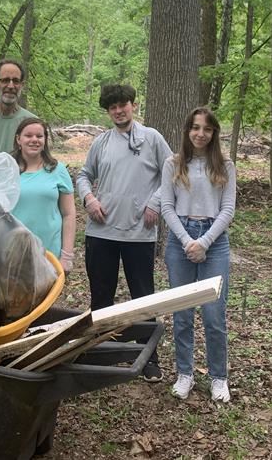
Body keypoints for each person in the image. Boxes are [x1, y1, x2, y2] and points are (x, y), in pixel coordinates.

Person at [75, 84, 172, 382]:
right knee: (100, 295)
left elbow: (172, 172)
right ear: (108, 111)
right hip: (101, 232)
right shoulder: (101, 143)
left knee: (143, 297)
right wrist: (89, 199)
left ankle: (149, 358)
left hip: (139, 234)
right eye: (112, 107)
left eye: (123, 105)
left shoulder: (152, 138)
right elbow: (83, 176)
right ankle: (98, 352)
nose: (118, 111)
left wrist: (155, 203)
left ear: (134, 105)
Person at [160, 107, 235, 404]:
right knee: (182, 313)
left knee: (214, 315)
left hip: (214, 242)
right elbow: (166, 205)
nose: (200, 133)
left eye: (206, 128)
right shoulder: (174, 164)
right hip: (180, 241)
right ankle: (185, 373)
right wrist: (187, 240)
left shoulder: (225, 165)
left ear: (214, 132)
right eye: (195, 127)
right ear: (187, 130)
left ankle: (218, 377)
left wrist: (203, 241)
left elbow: (228, 209)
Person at [10, 117, 76, 272]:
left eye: (39, 136)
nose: (34, 140)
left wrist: (66, 256)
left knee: (49, 296)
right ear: (18, 139)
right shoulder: (7, 170)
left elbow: (69, 214)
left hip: (50, 254)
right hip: (13, 252)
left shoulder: (57, 169)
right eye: (28, 135)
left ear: (45, 140)